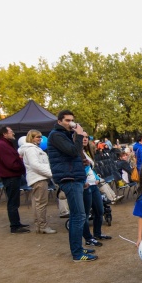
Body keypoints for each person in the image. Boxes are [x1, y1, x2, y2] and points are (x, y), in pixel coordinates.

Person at [47, 110, 97, 262]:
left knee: (80, 215)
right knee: (78, 216)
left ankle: (79, 249)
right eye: (67, 120)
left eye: (72, 120)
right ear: (59, 121)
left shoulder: (65, 135)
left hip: (75, 178)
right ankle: (77, 253)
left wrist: (82, 175)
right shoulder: (56, 135)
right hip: (69, 179)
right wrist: (80, 135)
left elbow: (73, 155)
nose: (71, 123)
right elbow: (72, 151)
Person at [0, 126, 29, 234]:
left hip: (12, 176)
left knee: (14, 201)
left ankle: (16, 223)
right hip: (10, 177)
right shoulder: (2, 146)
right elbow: (11, 163)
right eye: (11, 132)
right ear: (4, 134)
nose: (13, 133)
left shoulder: (4, 144)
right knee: (13, 202)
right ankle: (15, 226)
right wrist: (22, 164)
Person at [18, 130, 56, 234]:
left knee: (37, 203)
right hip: (38, 178)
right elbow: (35, 165)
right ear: (31, 138)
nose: (39, 139)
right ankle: (42, 226)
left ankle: (39, 225)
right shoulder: (31, 150)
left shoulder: (32, 149)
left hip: (39, 178)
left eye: (40, 137)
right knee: (41, 203)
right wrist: (50, 173)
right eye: (37, 137)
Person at [81, 132, 111, 245]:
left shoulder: (86, 152)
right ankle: (88, 238)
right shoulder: (76, 153)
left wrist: (97, 177)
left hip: (93, 185)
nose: (84, 139)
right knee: (85, 213)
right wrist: (84, 181)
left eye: (86, 137)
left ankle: (97, 234)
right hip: (85, 186)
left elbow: (89, 168)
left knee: (99, 210)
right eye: (82, 137)